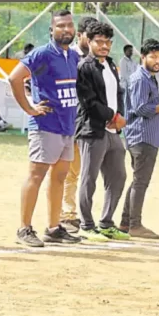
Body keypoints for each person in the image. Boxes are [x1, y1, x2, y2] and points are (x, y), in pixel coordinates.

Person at [9, 9, 82, 247]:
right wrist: (29, 109)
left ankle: (53, 228)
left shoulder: (72, 56)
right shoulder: (42, 54)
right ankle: (24, 228)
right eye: (60, 26)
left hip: (67, 126)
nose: (66, 29)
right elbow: (14, 78)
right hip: (45, 125)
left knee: (59, 177)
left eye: (69, 25)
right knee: (36, 175)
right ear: (52, 30)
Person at [75, 21, 131, 242]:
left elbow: (117, 94)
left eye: (108, 42)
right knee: (88, 178)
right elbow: (88, 101)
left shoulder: (110, 64)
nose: (104, 46)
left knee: (118, 176)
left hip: (113, 132)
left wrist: (118, 117)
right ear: (88, 41)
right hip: (92, 130)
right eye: (99, 41)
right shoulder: (84, 67)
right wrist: (112, 116)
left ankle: (106, 223)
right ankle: (86, 225)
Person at [119, 39, 159, 239]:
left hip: (147, 135)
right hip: (141, 136)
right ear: (143, 57)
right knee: (141, 182)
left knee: (138, 181)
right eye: (153, 56)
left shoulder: (151, 77)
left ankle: (127, 223)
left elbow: (147, 103)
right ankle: (135, 225)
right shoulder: (140, 78)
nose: (157, 60)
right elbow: (141, 108)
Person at [61, 16, 98, 234]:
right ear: (81, 35)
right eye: (91, 36)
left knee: (85, 171)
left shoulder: (96, 60)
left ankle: (80, 214)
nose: (95, 41)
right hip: (71, 121)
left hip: (90, 124)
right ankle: (67, 214)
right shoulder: (71, 56)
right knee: (70, 171)